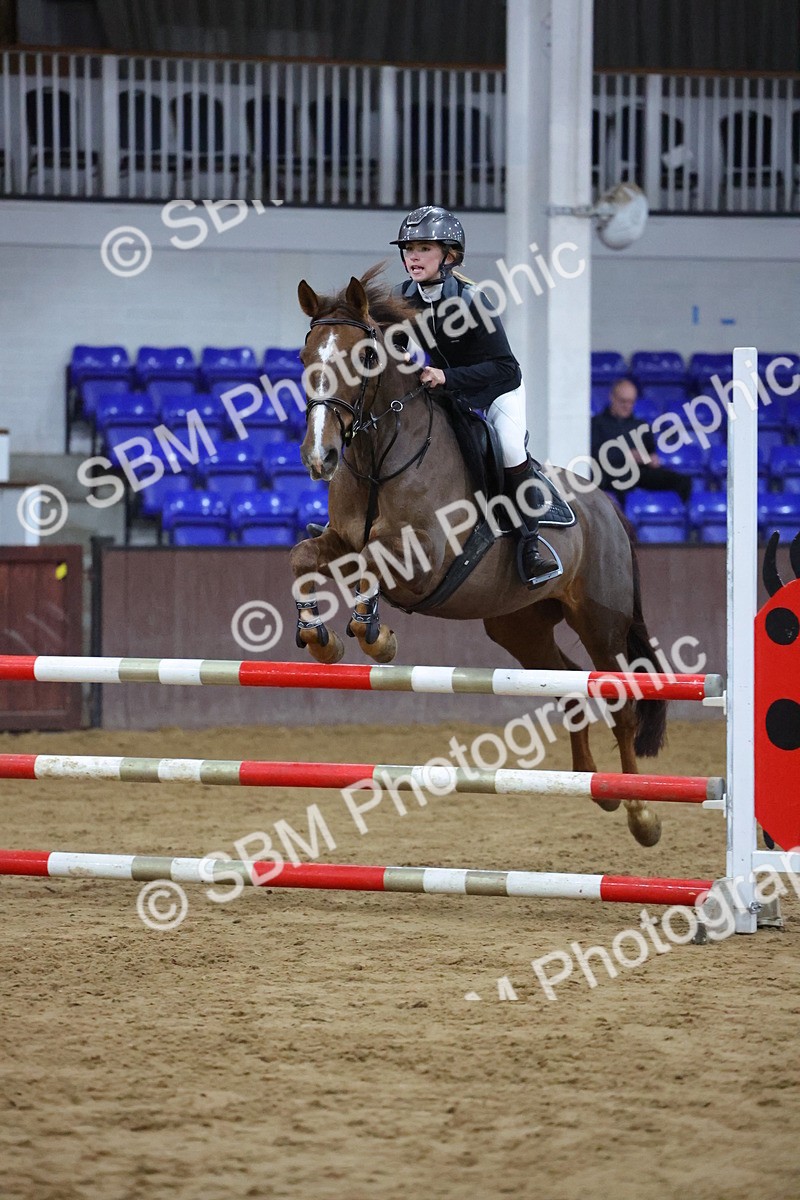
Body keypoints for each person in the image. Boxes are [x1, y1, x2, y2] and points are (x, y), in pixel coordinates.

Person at [390, 205, 561, 587]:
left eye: (424, 248)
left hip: (494, 391)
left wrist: (446, 375)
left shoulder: (473, 300)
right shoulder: (400, 299)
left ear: (449, 256)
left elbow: (507, 368)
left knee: (512, 448)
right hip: (446, 391)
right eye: (409, 249)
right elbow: (395, 342)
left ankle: (530, 545)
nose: (413, 257)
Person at [591, 376, 692, 504]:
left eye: (631, 402)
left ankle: (675, 515)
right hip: (609, 473)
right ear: (612, 398)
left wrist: (651, 458)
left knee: (682, 481)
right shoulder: (596, 423)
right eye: (623, 401)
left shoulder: (641, 425)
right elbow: (595, 452)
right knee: (621, 479)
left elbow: (651, 452)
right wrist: (626, 455)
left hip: (638, 472)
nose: (627, 406)